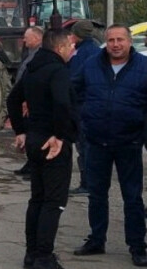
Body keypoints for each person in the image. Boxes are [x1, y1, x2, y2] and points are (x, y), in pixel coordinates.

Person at [72, 24, 147, 267]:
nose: (115, 44)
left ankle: (137, 246)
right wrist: (84, 116)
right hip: (96, 141)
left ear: (129, 42)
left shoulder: (143, 67)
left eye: (120, 40)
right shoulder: (92, 64)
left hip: (130, 142)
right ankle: (96, 240)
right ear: (106, 42)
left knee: (132, 197)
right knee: (96, 195)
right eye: (111, 40)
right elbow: (74, 89)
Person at [7, 29, 77, 269]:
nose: (72, 50)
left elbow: (12, 99)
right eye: (70, 46)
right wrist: (60, 136)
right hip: (52, 144)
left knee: (37, 199)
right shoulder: (58, 70)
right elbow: (62, 102)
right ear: (59, 48)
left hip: (35, 141)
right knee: (53, 202)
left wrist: (21, 131)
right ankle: (44, 257)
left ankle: (32, 254)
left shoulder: (32, 68)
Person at [67, 20, 100, 197]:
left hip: (83, 104)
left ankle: (87, 183)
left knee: (84, 145)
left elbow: (75, 79)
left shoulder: (83, 53)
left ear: (78, 34)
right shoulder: (92, 49)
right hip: (87, 103)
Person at [15, 26, 45, 178]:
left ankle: (34, 167)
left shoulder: (39, 56)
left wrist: (27, 99)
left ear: (37, 38)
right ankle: (30, 164)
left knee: (32, 133)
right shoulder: (31, 54)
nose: (24, 39)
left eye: (27, 37)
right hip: (26, 98)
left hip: (31, 101)